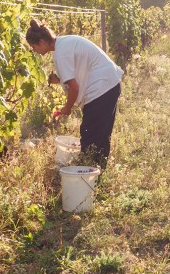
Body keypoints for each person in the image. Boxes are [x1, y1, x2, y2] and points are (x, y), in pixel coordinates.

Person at [26, 19, 123, 168]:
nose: (34, 50)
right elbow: (78, 73)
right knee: (101, 133)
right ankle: (97, 170)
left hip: (101, 89)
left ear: (42, 42)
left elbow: (74, 87)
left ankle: (87, 170)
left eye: (34, 46)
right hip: (109, 84)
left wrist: (67, 108)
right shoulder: (63, 43)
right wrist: (59, 80)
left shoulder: (60, 53)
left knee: (90, 135)